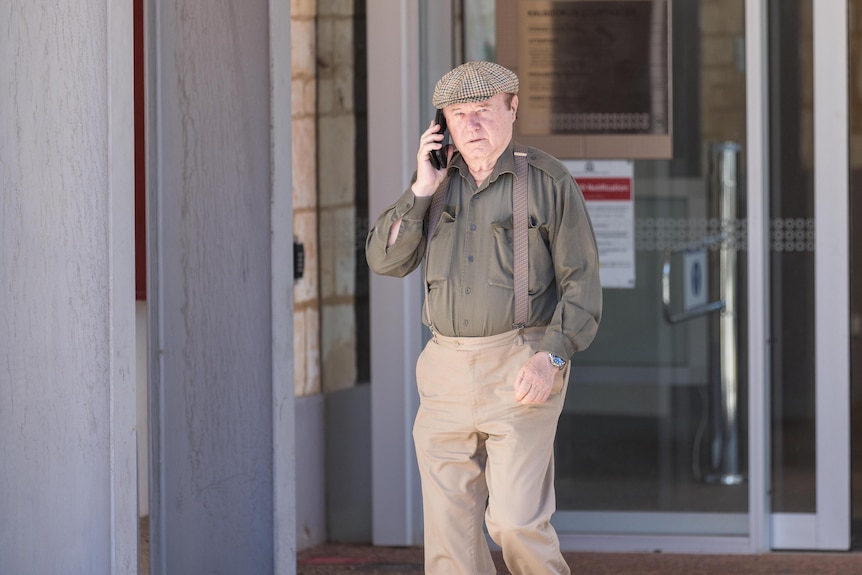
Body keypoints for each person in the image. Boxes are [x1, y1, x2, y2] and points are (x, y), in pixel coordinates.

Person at [365, 61, 602, 575]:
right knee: (450, 541)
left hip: (521, 364)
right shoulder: (433, 184)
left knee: (516, 522)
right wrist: (421, 188)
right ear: (441, 123)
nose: (471, 125)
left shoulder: (548, 181)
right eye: (458, 114)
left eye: (483, 111)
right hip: (444, 370)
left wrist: (551, 358)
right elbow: (385, 261)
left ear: (512, 109)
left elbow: (582, 286)